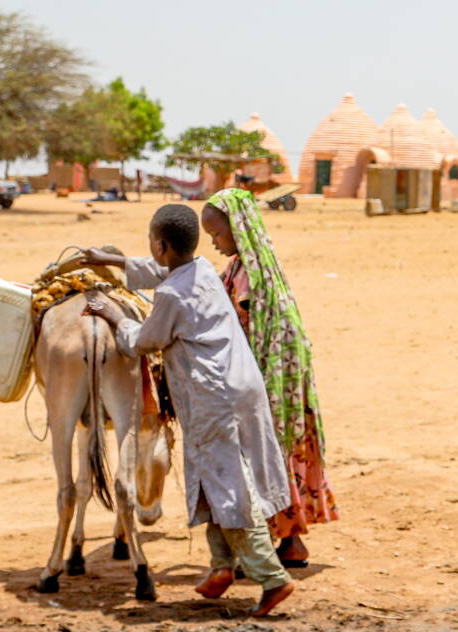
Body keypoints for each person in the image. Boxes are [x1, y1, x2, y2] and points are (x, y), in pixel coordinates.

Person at [79, 204, 295, 617]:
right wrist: (114, 260)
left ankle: (271, 577)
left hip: (212, 397)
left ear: (160, 246)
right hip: (240, 386)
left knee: (231, 487)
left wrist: (113, 315)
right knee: (222, 478)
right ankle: (221, 567)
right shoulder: (204, 274)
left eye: (151, 245)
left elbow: (144, 340)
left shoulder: (173, 295)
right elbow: (163, 272)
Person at [200, 188, 339, 567]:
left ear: (239, 229)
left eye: (218, 235)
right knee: (278, 450)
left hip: (272, 376)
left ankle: (267, 549)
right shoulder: (247, 265)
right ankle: (290, 543)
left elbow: (241, 328)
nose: (215, 243)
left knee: (265, 453)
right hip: (284, 373)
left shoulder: (249, 275)